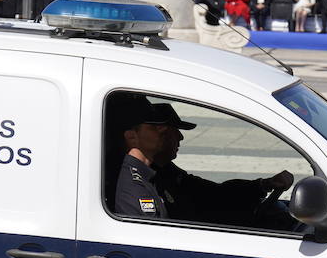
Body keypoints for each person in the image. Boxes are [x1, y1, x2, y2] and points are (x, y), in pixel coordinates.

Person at [109, 95, 294, 228]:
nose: (179, 137)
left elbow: (211, 193)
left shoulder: (162, 172)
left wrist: (262, 185)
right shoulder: (131, 183)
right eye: (160, 130)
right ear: (131, 137)